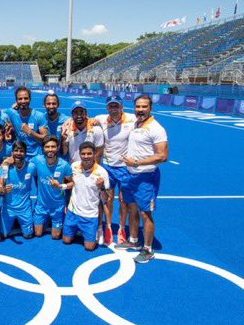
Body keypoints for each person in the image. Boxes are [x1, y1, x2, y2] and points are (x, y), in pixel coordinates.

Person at [118, 95, 168, 264]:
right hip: (130, 175)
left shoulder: (156, 128)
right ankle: (133, 240)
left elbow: (163, 156)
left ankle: (148, 249)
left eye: (144, 107)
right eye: (138, 106)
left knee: (146, 213)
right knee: (132, 208)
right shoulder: (136, 123)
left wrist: (137, 162)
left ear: (150, 108)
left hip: (146, 177)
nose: (140, 110)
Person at [94, 95, 136, 245]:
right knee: (108, 199)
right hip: (108, 167)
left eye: (116, 106)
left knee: (124, 201)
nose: (113, 109)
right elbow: (86, 120)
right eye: (111, 106)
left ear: (121, 107)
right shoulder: (101, 119)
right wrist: (68, 122)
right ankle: (109, 227)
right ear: (107, 108)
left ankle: (122, 229)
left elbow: (148, 121)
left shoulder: (132, 119)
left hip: (125, 168)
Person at [62, 142, 110, 251]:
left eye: (89, 154)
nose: (86, 157)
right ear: (79, 154)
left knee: (89, 247)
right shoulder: (74, 166)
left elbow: (106, 199)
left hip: (90, 216)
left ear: (94, 154)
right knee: (66, 240)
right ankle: (77, 229)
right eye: (83, 154)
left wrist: (102, 187)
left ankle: (97, 229)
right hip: (72, 213)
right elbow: (69, 184)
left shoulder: (102, 173)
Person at [30, 136, 72, 239]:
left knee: (56, 236)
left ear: (58, 148)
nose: (50, 149)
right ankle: (45, 220)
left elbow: (72, 183)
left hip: (58, 206)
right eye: (47, 147)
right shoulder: (37, 160)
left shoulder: (64, 165)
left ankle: (53, 220)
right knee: (38, 233)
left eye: (53, 146)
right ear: (43, 148)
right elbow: (22, 162)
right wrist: (8, 161)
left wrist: (61, 186)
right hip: (41, 206)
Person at [0, 141, 34, 239]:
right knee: (3, 235)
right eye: (16, 150)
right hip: (9, 209)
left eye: (21, 151)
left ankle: (19, 221)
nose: (18, 153)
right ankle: (11, 219)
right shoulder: (5, 167)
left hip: (24, 208)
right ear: (12, 152)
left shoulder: (31, 167)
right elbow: (0, 185)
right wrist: (2, 190)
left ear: (25, 153)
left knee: (28, 235)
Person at [2, 86, 48, 158]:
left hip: (37, 155)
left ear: (30, 99)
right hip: (20, 154)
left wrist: (30, 132)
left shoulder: (39, 116)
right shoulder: (12, 113)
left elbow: (45, 139)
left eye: (26, 98)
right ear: (16, 101)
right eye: (20, 99)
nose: (23, 101)